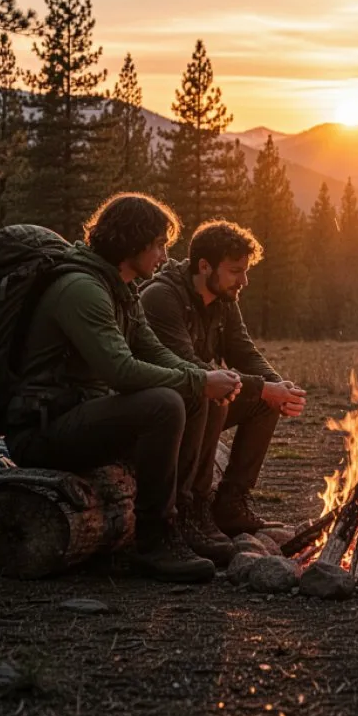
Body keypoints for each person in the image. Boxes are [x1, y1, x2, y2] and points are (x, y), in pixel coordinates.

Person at [5, 194, 243, 583]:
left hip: (82, 415)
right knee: (164, 404)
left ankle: (184, 517)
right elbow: (121, 371)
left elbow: (155, 351)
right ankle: (153, 541)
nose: (164, 256)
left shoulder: (121, 288)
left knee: (193, 397)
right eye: (159, 245)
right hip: (43, 430)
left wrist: (204, 379)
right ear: (132, 242)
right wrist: (200, 380)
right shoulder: (82, 289)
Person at [140, 219, 307, 551]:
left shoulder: (224, 300)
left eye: (245, 271)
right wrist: (263, 388)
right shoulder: (161, 297)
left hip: (197, 401)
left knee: (262, 401)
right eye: (235, 271)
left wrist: (277, 386)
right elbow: (190, 368)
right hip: (163, 411)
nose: (243, 281)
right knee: (215, 396)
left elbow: (243, 351)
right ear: (205, 266)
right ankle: (190, 509)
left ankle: (230, 504)